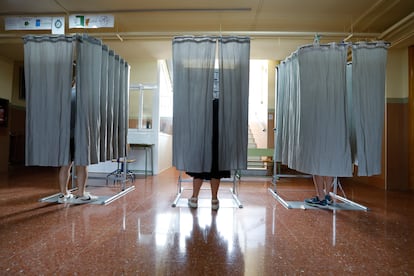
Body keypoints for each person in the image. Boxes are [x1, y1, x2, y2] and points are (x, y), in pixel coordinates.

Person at [57, 71, 97, 204]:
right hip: (79, 135)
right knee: (81, 164)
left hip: (64, 135)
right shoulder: (84, 96)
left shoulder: (64, 95)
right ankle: (81, 193)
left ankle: (63, 194)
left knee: (65, 165)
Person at [187, 98, 229, 211]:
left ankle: (194, 198)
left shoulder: (201, 99)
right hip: (218, 136)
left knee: (199, 168)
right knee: (216, 168)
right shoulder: (223, 101)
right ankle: (214, 200)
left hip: (202, 135)